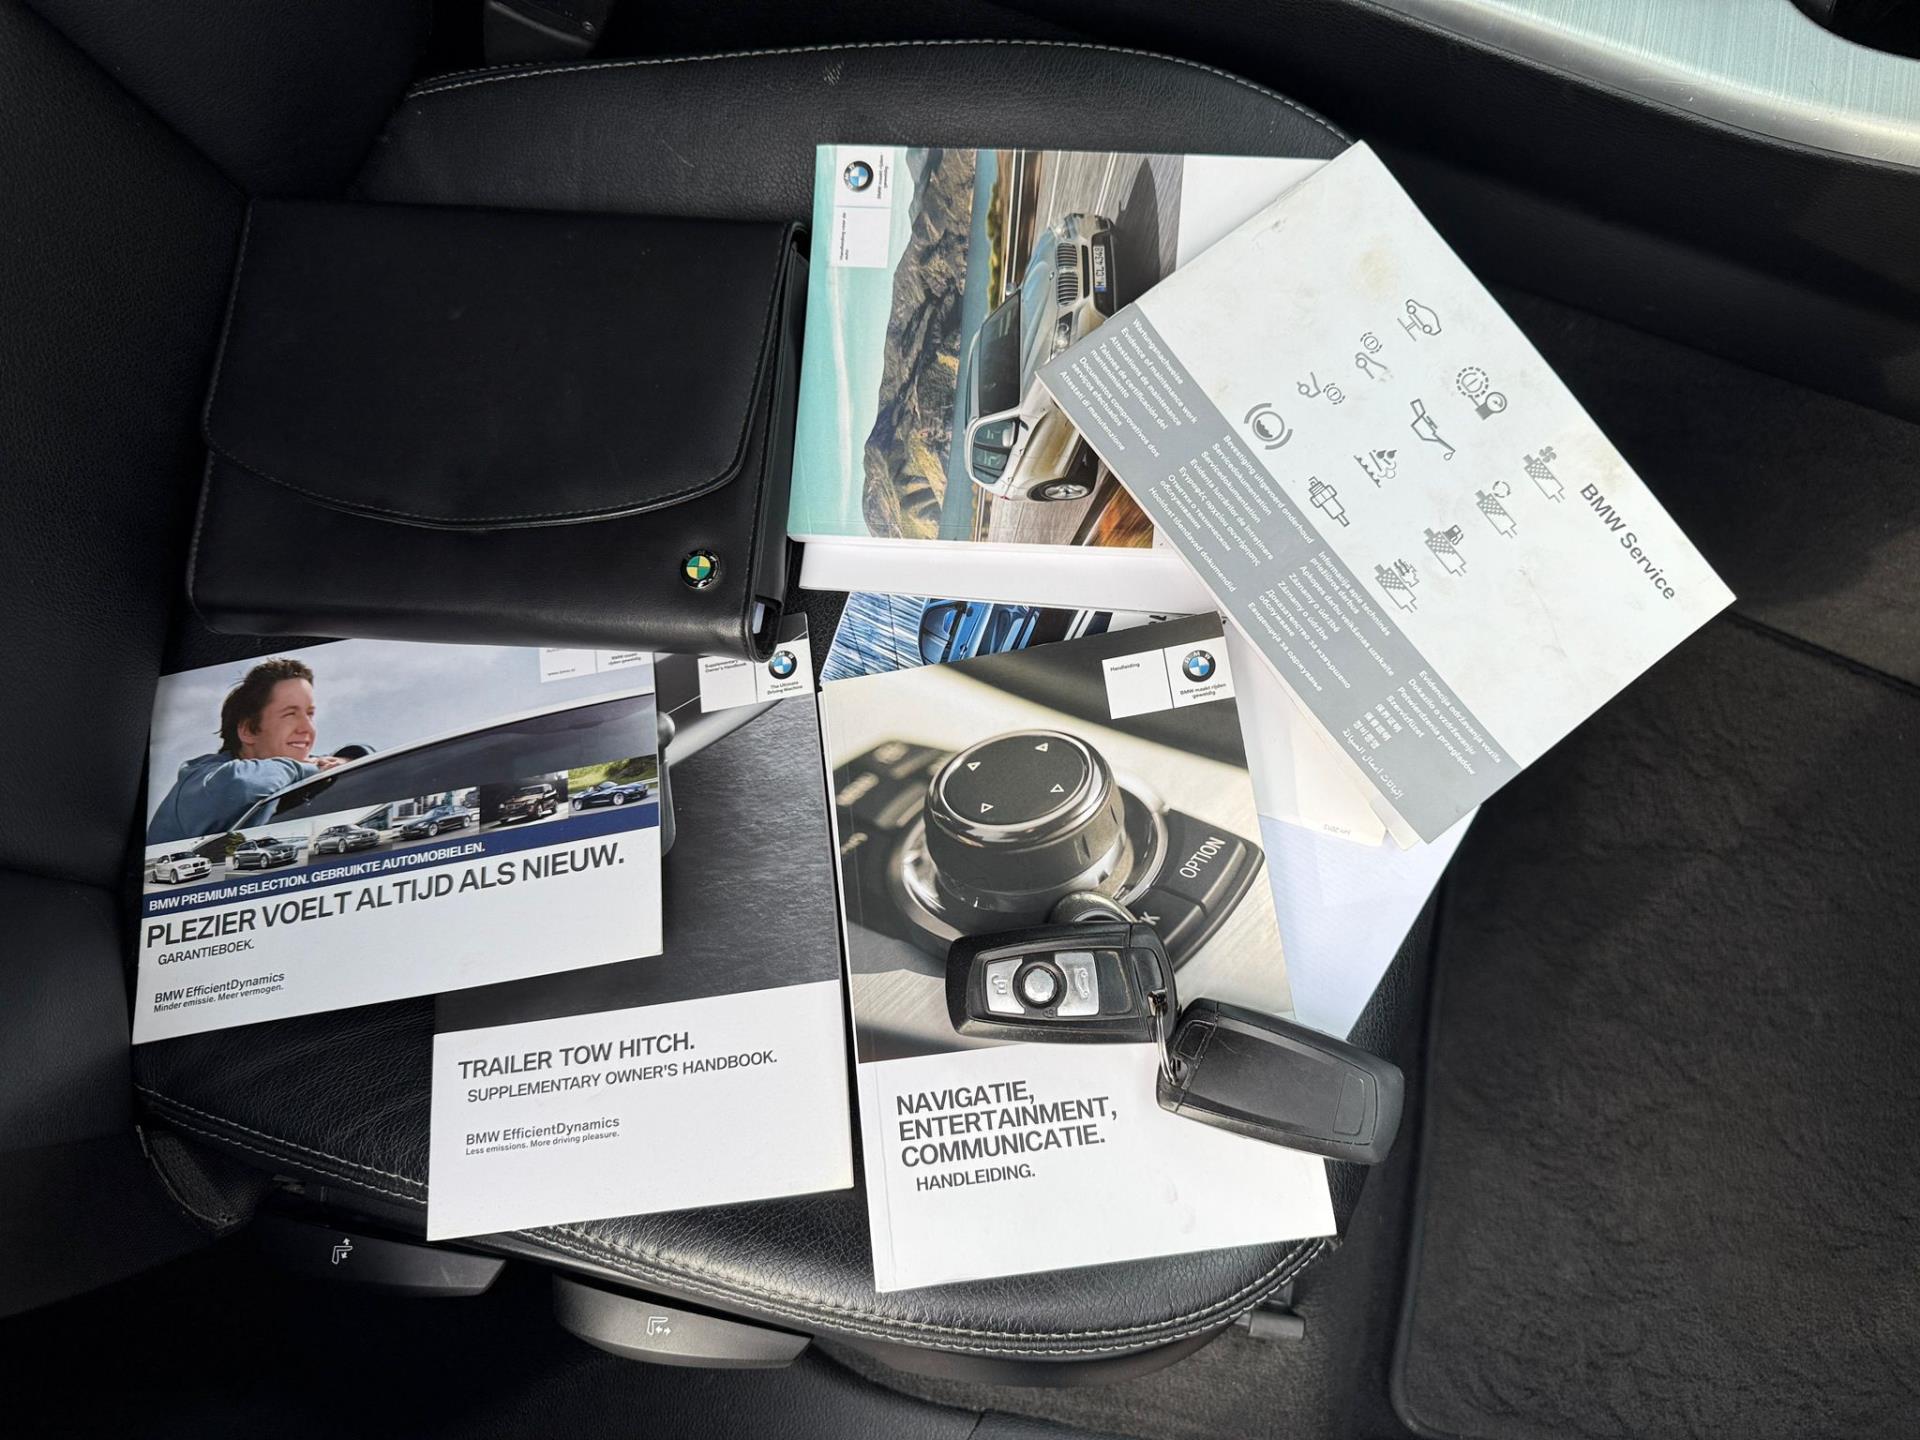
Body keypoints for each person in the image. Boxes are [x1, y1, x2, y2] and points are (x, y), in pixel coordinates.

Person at [146, 658, 344, 845]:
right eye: (290, 714)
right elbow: (237, 782)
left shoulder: (287, 776)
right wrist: (309, 768)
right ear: (249, 730)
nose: (307, 728)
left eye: (310, 714)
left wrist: (345, 760)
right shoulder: (204, 781)